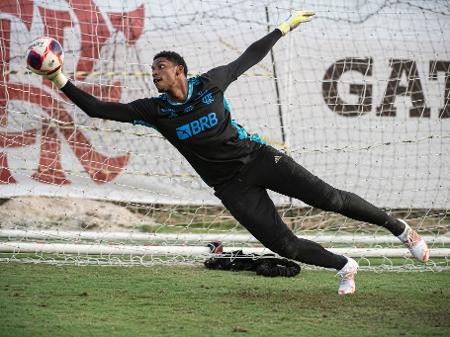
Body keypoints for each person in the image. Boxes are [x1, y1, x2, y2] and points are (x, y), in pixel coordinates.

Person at [38, 10, 429, 294]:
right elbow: (96, 109)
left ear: (179, 71)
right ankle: (345, 266)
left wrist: (284, 27)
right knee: (283, 245)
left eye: (160, 66)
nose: (153, 72)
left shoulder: (210, 83)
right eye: (152, 69)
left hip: (259, 159)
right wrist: (58, 77)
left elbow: (250, 55)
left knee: (329, 198)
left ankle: (400, 229)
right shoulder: (153, 110)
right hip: (230, 186)